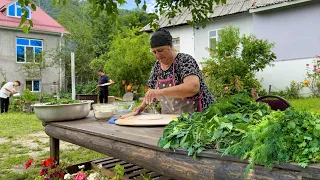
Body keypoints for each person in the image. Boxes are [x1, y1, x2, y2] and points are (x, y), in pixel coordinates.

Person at [134, 28, 214, 114]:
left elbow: (193, 87)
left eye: (160, 50)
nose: (157, 55)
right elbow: (152, 90)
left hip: (198, 118)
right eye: (154, 52)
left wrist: (160, 92)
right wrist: (142, 106)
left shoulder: (185, 60)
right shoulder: (157, 66)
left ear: (171, 46)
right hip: (172, 118)